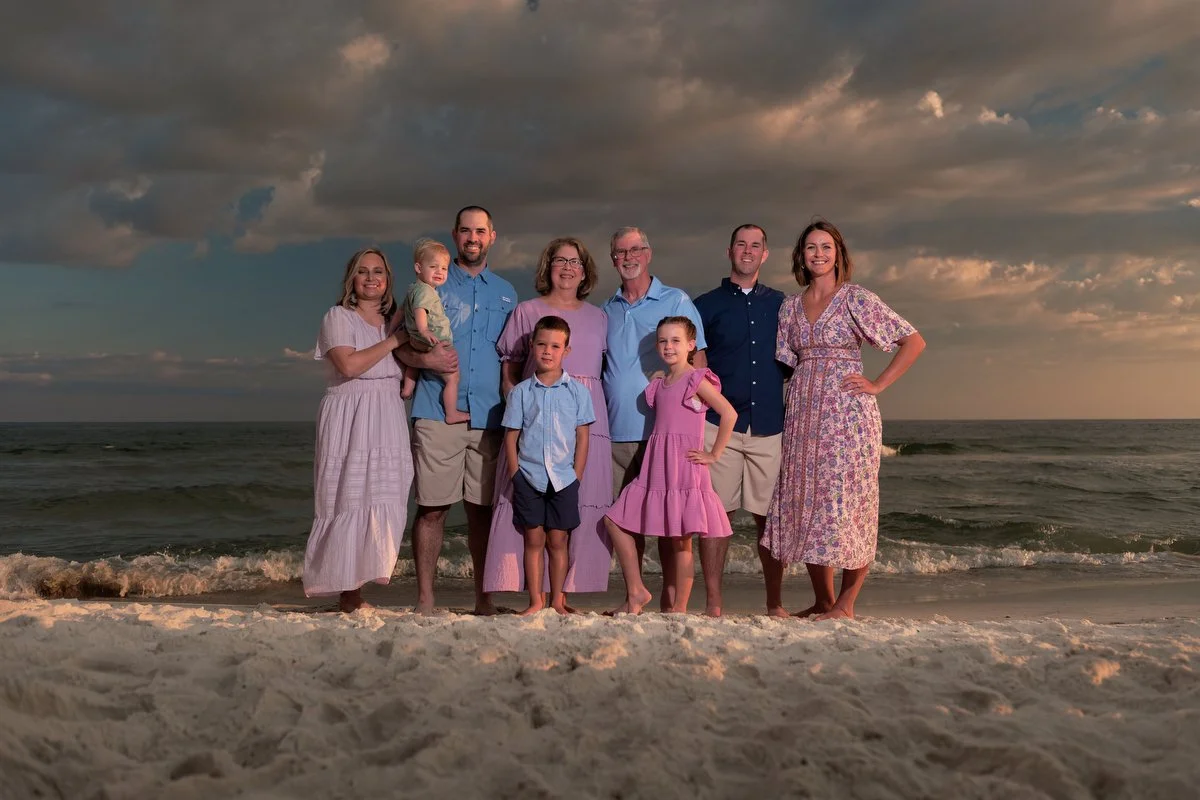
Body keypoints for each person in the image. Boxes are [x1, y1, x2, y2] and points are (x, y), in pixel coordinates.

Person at [763, 220, 925, 620]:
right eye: (811, 248)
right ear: (800, 255)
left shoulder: (855, 298)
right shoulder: (789, 306)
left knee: (849, 503)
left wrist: (878, 384)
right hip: (802, 415)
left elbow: (913, 341)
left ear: (839, 254)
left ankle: (846, 604)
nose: (818, 254)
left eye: (826, 247)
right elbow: (783, 365)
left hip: (847, 417)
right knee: (810, 502)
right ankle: (822, 600)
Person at [483, 237, 613, 603]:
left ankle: (564, 595)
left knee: (576, 505)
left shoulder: (600, 316)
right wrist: (514, 399)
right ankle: (529, 592)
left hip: (586, 413)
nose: (568, 267)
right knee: (528, 510)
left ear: (584, 271)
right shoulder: (526, 311)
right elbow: (509, 365)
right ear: (548, 267)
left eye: (576, 261)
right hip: (535, 414)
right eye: (560, 260)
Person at [405, 206, 516, 614]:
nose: (473, 237)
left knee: (482, 513)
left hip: (490, 416)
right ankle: (425, 601)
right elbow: (402, 342)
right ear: (455, 235)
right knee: (432, 509)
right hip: (436, 411)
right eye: (466, 230)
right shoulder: (430, 284)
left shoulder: (506, 293)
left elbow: (513, 358)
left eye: (480, 231)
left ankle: (484, 602)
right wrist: (424, 362)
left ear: (492, 236)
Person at [601, 226, 708, 611]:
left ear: (648, 253)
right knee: (626, 518)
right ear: (612, 258)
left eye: (635, 250)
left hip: (663, 434)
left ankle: (671, 603)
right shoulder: (606, 310)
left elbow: (699, 365)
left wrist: (692, 425)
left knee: (671, 524)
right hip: (615, 431)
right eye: (620, 252)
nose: (628, 257)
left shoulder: (675, 298)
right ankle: (635, 595)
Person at [303, 248, 414, 612]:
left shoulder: (393, 322)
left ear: (387, 280)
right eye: (362, 271)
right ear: (351, 278)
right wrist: (394, 342)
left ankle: (362, 586)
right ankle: (347, 595)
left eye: (378, 271)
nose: (370, 278)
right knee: (347, 498)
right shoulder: (338, 316)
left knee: (387, 495)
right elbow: (349, 365)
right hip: (350, 413)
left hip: (387, 414)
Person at [604, 316, 737, 615]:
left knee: (680, 542)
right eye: (663, 341)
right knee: (614, 519)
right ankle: (637, 590)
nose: (668, 346)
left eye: (675, 340)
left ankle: (679, 609)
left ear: (691, 345)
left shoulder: (696, 379)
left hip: (684, 467)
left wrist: (713, 454)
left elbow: (728, 414)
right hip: (656, 465)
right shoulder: (658, 386)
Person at [693, 224, 788, 617]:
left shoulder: (783, 304)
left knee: (770, 519)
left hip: (769, 424)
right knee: (717, 516)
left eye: (755, 246)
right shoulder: (704, 305)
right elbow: (695, 364)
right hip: (719, 425)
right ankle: (714, 603)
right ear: (729, 250)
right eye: (741, 244)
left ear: (765, 254)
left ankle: (775, 603)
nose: (747, 251)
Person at [501, 316, 595, 615]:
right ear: (531, 347)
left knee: (558, 540)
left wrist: (576, 476)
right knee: (533, 539)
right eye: (541, 344)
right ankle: (535, 601)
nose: (547, 351)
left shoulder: (578, 392)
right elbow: (512, 435)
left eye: (555, 346)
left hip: (564, 479)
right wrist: (515, 473)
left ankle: (556, 600)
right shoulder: (521, 392)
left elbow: (583, 436)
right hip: (529, 477)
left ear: (566, 350)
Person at [400, 239, 469, 425]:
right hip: (432, 340)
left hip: (416, 340)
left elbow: (401, 312)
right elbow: (420, 310)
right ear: (418, 267)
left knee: (415, 362)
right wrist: (423, 330)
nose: (440, 272)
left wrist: (391, 331)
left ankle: (407, 388)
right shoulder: (426, 292)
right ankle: (451, 413)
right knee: (453, 378)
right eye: (433, 266)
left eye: (444, 268)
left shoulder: (412, 290)